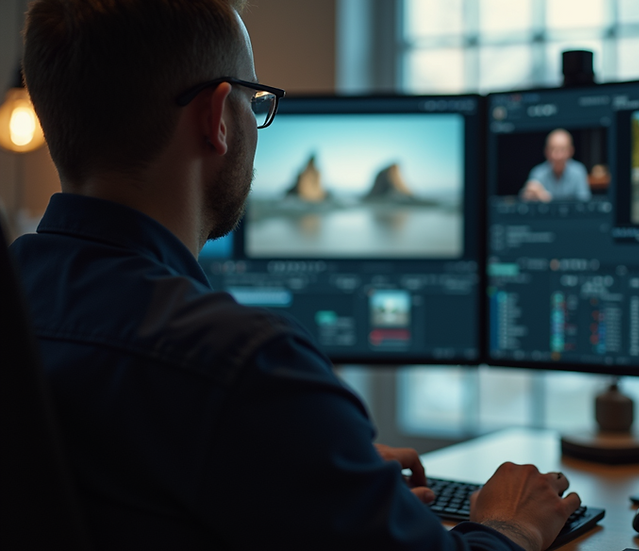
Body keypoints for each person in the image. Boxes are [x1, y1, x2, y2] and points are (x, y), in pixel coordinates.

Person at [11, 1, 580, 550]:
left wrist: (309, 456)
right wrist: (512, 527)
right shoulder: (246, 363)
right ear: (217, 119)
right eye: (255, 101)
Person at [520, 129, 591, 202]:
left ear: (571, 151)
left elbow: (584, 202)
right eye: (553, 149)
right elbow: (525, 201)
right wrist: (529, 194)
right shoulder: (538, 173)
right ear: (546, 151)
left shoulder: (579, 171)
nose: (558, 156)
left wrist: (545, 197)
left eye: (562, 150)